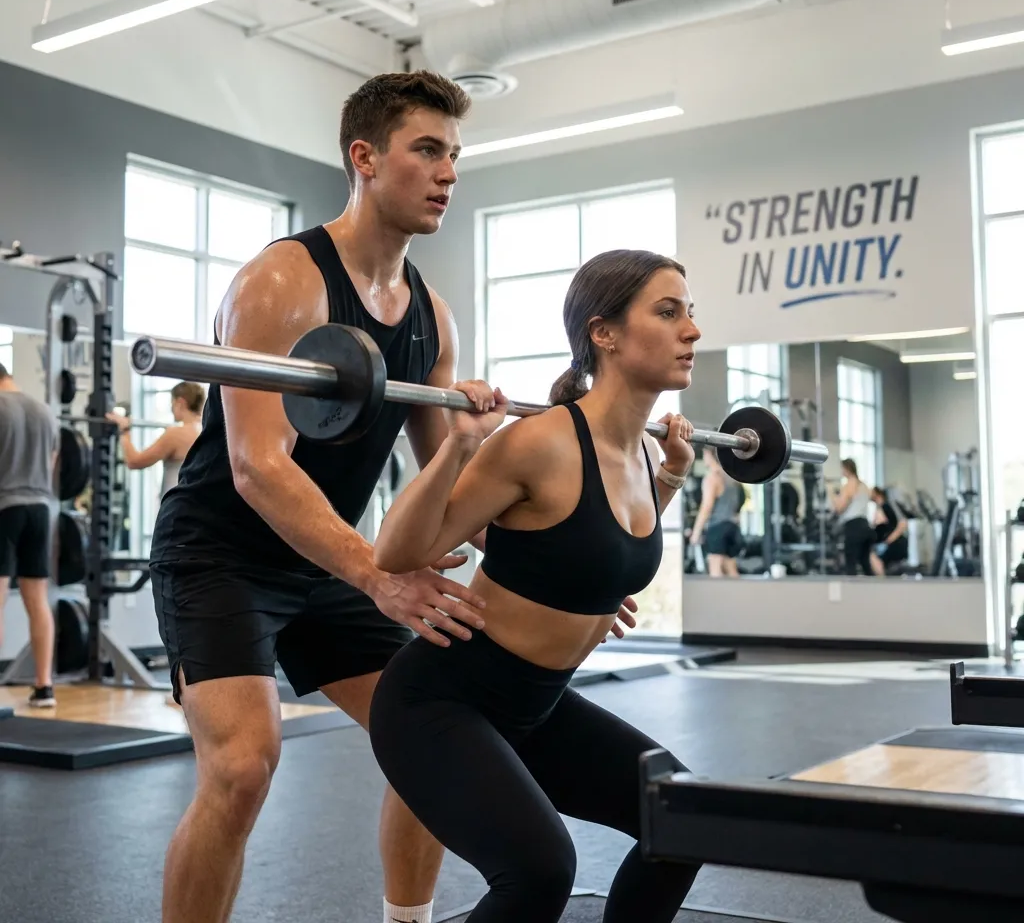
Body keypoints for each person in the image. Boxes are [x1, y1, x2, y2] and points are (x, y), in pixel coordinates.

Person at [145, 70, 637, 923]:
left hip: (337, 557)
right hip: (224, 555)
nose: (448, 172)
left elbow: (455, 478)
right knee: (242, 767)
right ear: (365, 158)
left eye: (454, 155)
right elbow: (260, 467)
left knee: (433, 732)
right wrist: (379, 574)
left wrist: (577, 564)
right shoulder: (283, 282)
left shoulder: (431, 319)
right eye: (427, 151)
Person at [368, 249, 704, 923]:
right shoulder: (538, 443)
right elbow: (396, 552)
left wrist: (670, 478)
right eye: (668, 313)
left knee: (683, 815)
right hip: (440, 703)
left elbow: (599, 546)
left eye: (690, 314)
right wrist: (460, 445)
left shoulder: (642, 451)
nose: (691, 330)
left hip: (538, 706)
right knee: (540, 869)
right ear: (602, 333)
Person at [0, 362, 58, 708]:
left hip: (5, 507)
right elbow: (52, 462)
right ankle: (44, 686)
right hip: (41, 510)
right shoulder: (44, 411)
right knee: (37, 600)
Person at [106, 381, 205, 498]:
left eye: (172, 403)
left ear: (180, 402)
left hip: (176, 508)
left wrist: (124, 430)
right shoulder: (207, 430)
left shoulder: (176, 433)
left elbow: (134, 462)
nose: (171, 408)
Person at [689, 445, 744, 576]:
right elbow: (739, 503)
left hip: (718, 527)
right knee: (731, 568)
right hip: (732, 527)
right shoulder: (733, 478)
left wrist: (696, 532)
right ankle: (740, 596)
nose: (704, 458)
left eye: (705, 455)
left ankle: (718, 597)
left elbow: (706, 506)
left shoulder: (712, 478)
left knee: (715, 569)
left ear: (710, 454)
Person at [832, 458, 874, 575]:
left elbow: (840, 508)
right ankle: (875, 590)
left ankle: (851, 592)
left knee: (850, 563)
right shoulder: (864, 485)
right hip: (865, 525)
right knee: (865, 563)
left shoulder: (850, 484)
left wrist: (834, 497)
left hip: (854, 526)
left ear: (846, 469)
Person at [869, 485, 909, 576]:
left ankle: (882, 583)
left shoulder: (886, 507)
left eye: (871, 492)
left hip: (895, 545)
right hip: (890, 544)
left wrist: (887, 542)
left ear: (877, 493)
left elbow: (902, 524)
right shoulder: (880, 508)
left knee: (873, 558)